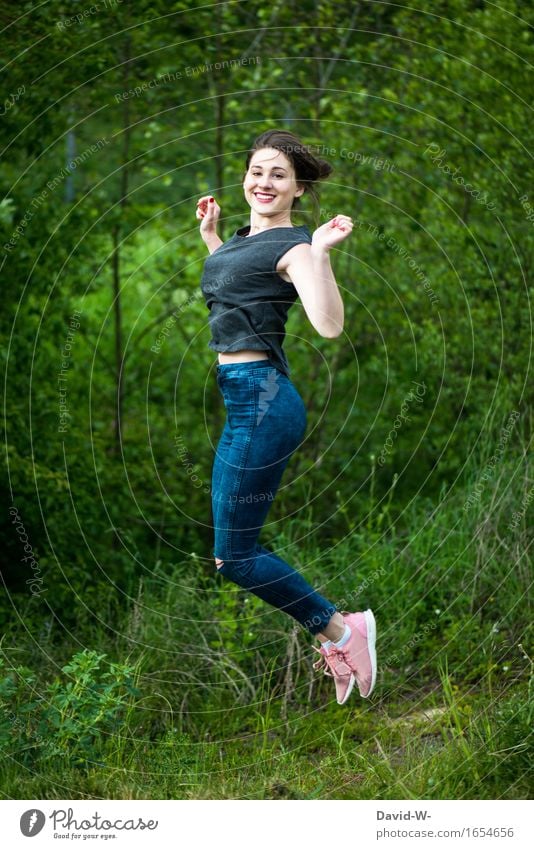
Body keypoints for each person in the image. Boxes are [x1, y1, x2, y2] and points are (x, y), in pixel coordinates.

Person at [196, 129, 376, 705]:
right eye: (256, 171)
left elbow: (328, 324)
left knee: (236, 557)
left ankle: (345, 631)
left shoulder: (297, 247)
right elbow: (235, 299)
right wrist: (213, 239)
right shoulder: (241, 241)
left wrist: (321, 255)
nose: (264, 182)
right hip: (243, 396)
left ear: (298, 188)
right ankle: (339, 631)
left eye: (278, 175)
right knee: (232, 554)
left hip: (263, 399)